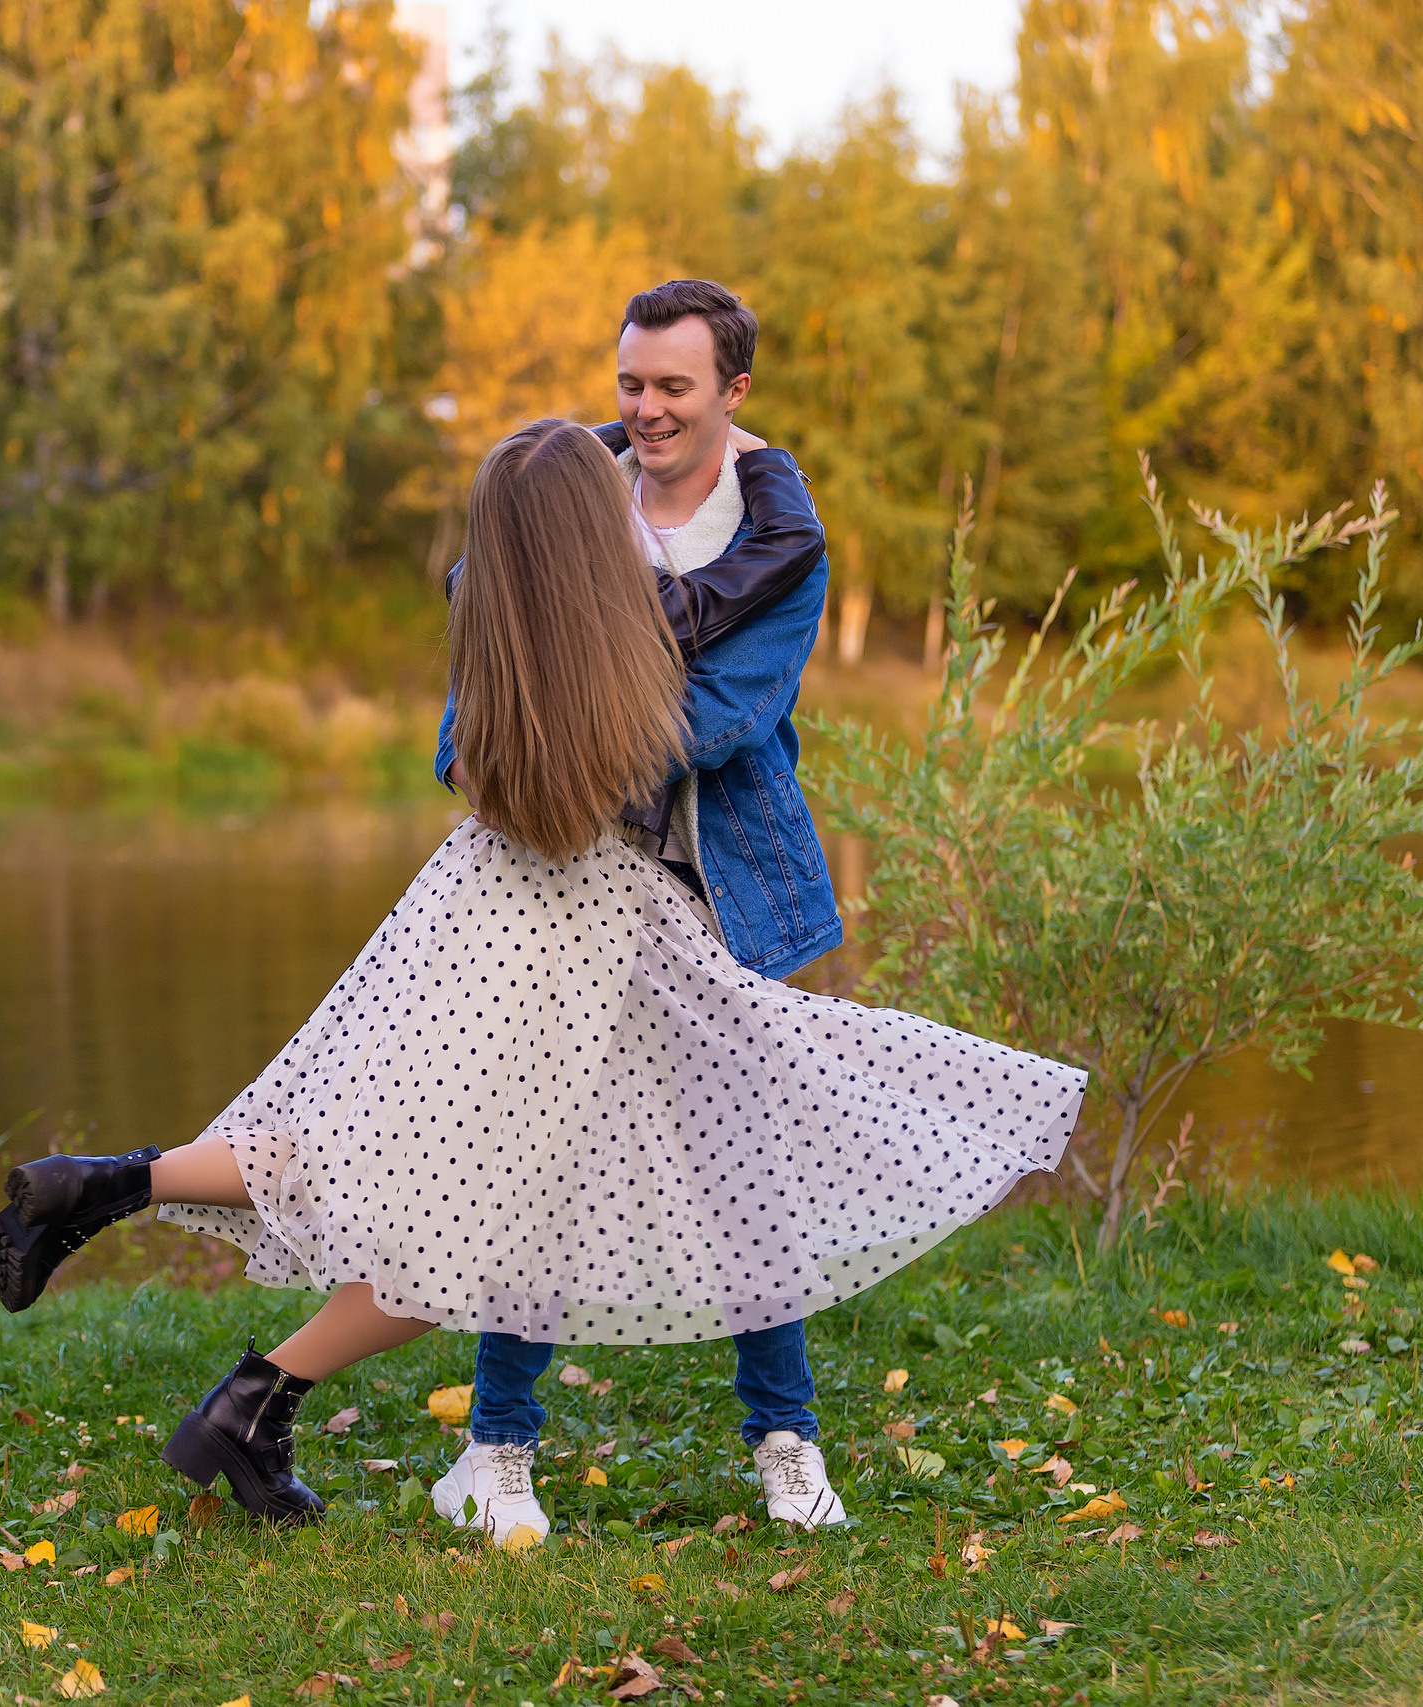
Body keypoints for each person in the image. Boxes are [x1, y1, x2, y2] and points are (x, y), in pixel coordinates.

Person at [0, 410, 1088, 1532]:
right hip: (580, 940)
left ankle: (120, 1193)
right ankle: (276, 1397)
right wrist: (760, 466)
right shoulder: (620, 658)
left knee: (356, 1156)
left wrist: (601, 443)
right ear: (583, 542)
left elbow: (474, 723)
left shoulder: (496, 621)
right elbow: (759, 580)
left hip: (465, 911)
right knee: (484, 1222)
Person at [432, 279, 858, 1543]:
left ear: (734, 393)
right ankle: (495, 1453)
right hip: (559, 885)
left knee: (744, 1173)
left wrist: (562, 733)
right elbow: (485, 674)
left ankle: (786, 1442)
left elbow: (723, 721)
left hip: (712, 886)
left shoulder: (777, 543)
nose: (647, 408)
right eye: (630, 383)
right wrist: (497, 753)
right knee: (539, 1168)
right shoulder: (561, 503)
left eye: (674, 385)